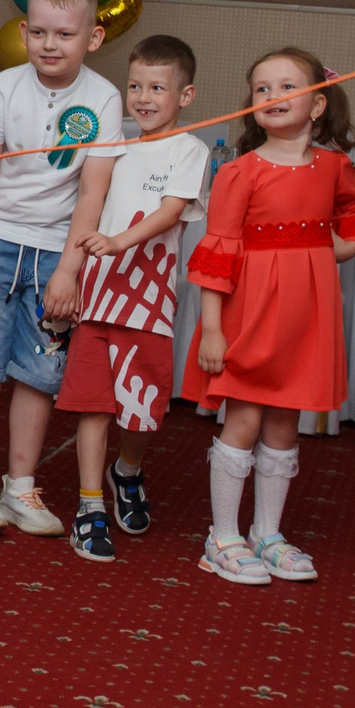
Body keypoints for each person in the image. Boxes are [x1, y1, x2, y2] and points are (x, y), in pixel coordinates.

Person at [185, 47, 355, 587]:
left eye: (285, 87)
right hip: (250, 311)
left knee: (283, 422)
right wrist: (211, 328)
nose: (272, 97)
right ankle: (223, 536)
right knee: (245, 418)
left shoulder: (334, 167)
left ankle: (266, 534)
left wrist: (333, 249)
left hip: (305, 315)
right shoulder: (239, 172)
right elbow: (217, 251)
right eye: (261, 89)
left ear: (318, 104)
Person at [0, 0, 123, 540]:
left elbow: (93, 190)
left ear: (92, 37)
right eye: (41, 32)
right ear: (24, 32)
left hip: (55, 256)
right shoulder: (4, 88)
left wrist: (70, 269)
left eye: (65, 35)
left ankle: (20, 486)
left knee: (40, 372)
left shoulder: (104, 98)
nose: (51, 45)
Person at [49, 34, 207, 563]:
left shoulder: (191, 149)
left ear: (184, 96)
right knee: (93, 401)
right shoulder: (112, 141)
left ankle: (127, 470)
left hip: (148, 300)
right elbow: (88, 203)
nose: (143, 96)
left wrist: (118, 243)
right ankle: (90, 507)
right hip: (97, 296)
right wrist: (74, 270)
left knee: (140, 410)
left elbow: (170, 211)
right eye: (135, 84)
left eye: (157, 87)